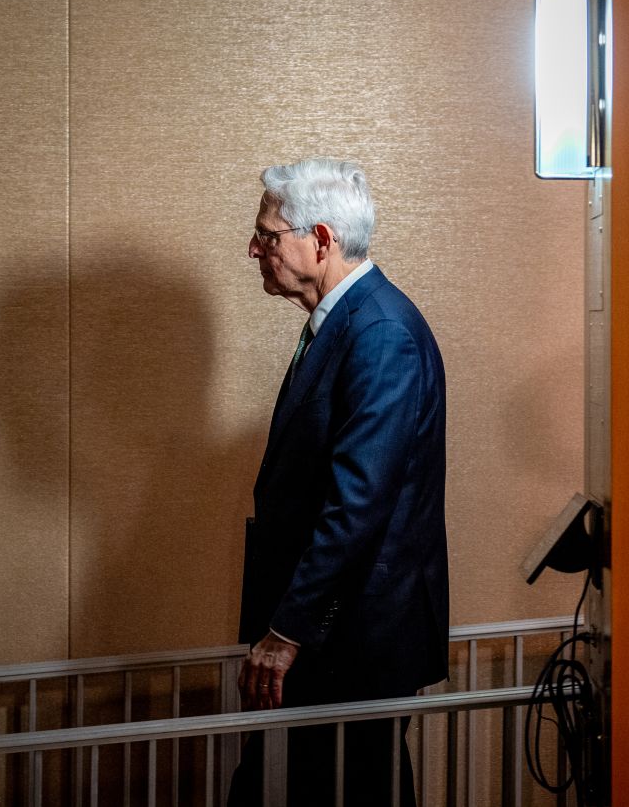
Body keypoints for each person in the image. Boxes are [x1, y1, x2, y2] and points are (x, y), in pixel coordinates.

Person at [228, 158, 449, 807]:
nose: (254, 248)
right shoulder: (349, 323)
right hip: (333, 640)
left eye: (268, 234)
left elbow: (357, 503)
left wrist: (287, 630)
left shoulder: (381, 333)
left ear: (320, 239)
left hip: (350, 645)